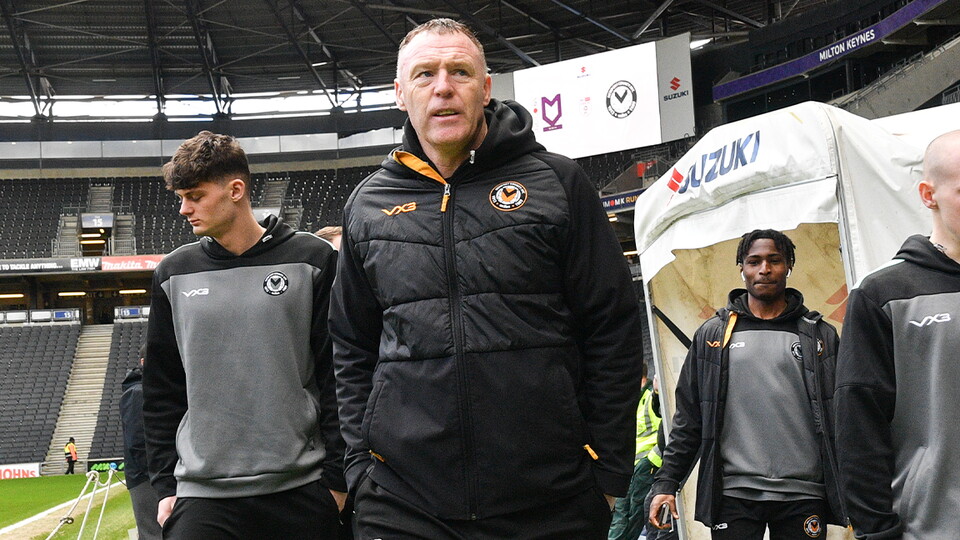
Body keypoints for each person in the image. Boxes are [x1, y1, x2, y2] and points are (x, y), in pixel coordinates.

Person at [330, 18, 644, 539]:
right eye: (425, 74)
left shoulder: (557, 182)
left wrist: (606, 472)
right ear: (401, 93)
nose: (443, 87)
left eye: (460, 71)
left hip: (552, 499)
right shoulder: (367, 204)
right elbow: (351, 343)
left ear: (486, 88)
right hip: (403, 502)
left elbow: (611, 326)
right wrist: (362, 465)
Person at [142, 131, 346, 538]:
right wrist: (165, 485)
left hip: (301, 489)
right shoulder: (173, 273)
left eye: (195, 196)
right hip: (203, 495)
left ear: (235, 190)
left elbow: (337, 375)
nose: (184, 209)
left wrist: (337, 480)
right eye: (181, 197)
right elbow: (162, 387)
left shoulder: (313, 259)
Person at [648, 229, 844, 539]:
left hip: (804, 492)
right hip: (733, 494)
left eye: (774, 260)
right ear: (742, 268)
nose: (764, 269)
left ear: (789, 266)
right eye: (754, 261)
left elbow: (843, 418)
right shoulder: (713, 335)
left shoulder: (820, 336)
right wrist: (667, 482)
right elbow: (690, 418)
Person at [835, 129, 960, 539]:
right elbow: (859, 429)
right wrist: (877, 532)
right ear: (929, 195)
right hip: (932, 528)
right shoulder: (883, 295)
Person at [609, 363, 661, 540]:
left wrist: (649, 461)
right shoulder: (635, 401)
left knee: (633, 516)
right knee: (622, 515)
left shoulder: (649, 398)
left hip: (645, 467)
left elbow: (664, 431)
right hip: (629, 468)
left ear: (641, 380)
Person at [121, 344, 161, 540]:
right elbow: (137, 442)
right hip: (146, 477)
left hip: (153, 474)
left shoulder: (149, 389)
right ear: (144, 362)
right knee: (154, 533)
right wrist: (158, 472)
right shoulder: (137, 392)